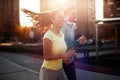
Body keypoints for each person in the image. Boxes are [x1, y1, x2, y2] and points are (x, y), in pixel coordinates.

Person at [39, 10, 76, 80]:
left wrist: (64, 59)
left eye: (63, 17)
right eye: (59, 17)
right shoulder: (48, 35)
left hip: (60, 70)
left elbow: (59, 52)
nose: (63, 19)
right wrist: (64, 55)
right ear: (52, 20)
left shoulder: (61, 34)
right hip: (48, 72)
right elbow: (47, 57)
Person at [61, 6, 87, 80]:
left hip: (70, 58)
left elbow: (70, 41)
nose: (75, 15)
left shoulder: (73, 25)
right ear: (66, 14)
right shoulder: (63, 26)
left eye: (76, 14)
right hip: (63, 58)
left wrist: (79, 41)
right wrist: (79, 41)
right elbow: (63, 44)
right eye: (73, 14)